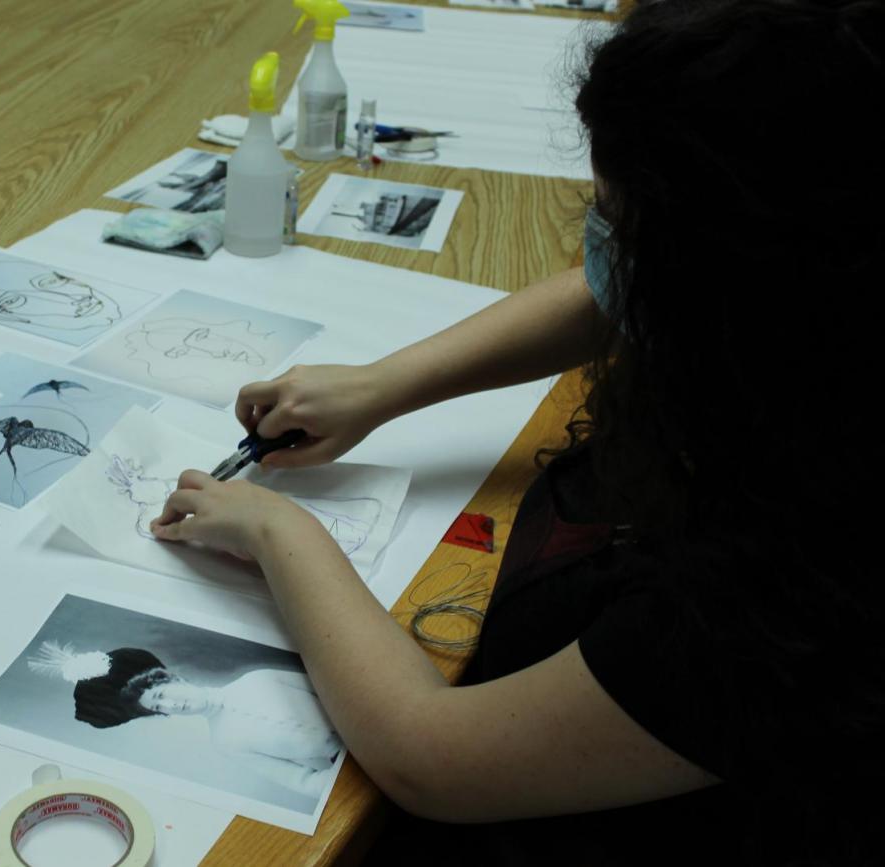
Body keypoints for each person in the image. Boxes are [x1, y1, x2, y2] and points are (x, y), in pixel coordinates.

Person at [148, 0, 884, 863]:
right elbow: (613, 293)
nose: (600, 251)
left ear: (725, 283)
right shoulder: (820, 308)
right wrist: (383, 386)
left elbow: (433, 756)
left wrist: (282, 533)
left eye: (614, 220)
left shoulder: (795, 579)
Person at [28, 644, 342, 798]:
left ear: (171, 678)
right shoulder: (224, 741)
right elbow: (302, 781)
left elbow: (334, 685)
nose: (172, 704)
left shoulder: (257, 679)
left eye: (162, 694)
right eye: (160, 707)